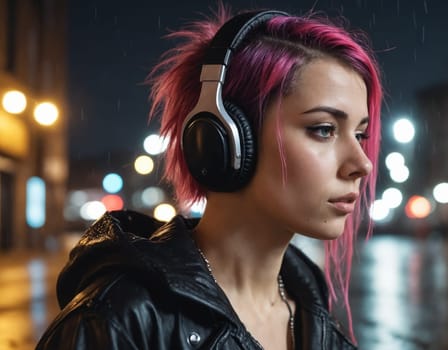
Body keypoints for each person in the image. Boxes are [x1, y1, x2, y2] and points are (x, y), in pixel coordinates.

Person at [36, 6, 381, 350]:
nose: (362, 164)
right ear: (223, 140)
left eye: (361, 135)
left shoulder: (314, 315)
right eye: (323, 129)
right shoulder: (117, 323)